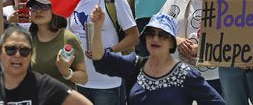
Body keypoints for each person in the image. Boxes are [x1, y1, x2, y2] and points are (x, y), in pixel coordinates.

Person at [91, 11, 225, 105]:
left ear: (172, 42)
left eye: (162, 35)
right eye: (150, 33)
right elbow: (100, 60)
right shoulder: (134, 65)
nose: (155, 39)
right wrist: (97, 28)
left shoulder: (186, 75)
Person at [159, 0, 222, 95]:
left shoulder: (223, 2)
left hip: (214, 76)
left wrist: (201, 48)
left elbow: (230, 37)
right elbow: (157, 28)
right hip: (179, 73)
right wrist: (176, 40)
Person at [0, 26, 92, 104]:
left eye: (24, 50)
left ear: (31, 54)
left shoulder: (45, 85)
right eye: (11, 49)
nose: (17, 55)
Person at [69, 0, 138, 104]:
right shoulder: (70, 1)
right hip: (79, 80)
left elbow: (134, 37)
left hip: (108, 82)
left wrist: (107, 52)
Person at [28, 0, 88, 88]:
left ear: (54, 10)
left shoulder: (68, 38)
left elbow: (83, 78)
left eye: (44, 6)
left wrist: (66, 73)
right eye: (34, 7)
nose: (38, 11)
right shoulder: (27, 39)